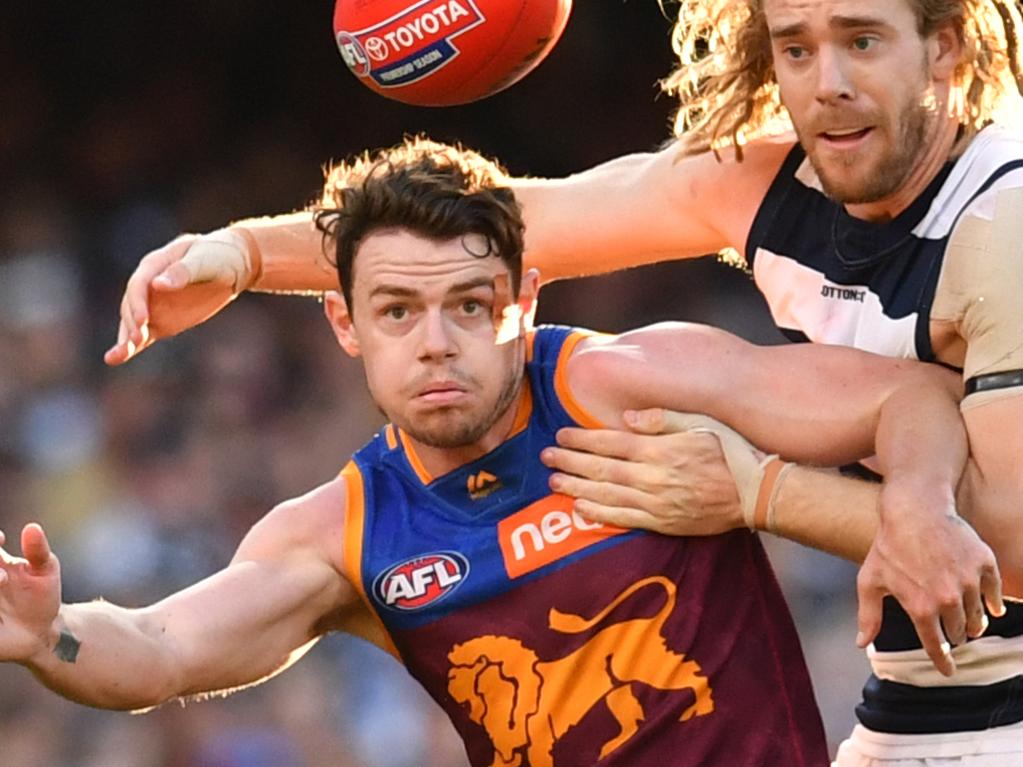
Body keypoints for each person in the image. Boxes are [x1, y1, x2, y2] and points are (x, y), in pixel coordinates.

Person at [104, 0, 1023, 763]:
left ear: (943, 45)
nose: (826, 82)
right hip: (917, 703)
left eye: (861, 41)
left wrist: (760, 490)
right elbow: (495, 223)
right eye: (795, 47)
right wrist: (239, 253)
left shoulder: (1006, 217)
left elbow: (1014, 552)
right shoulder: (760, 183)